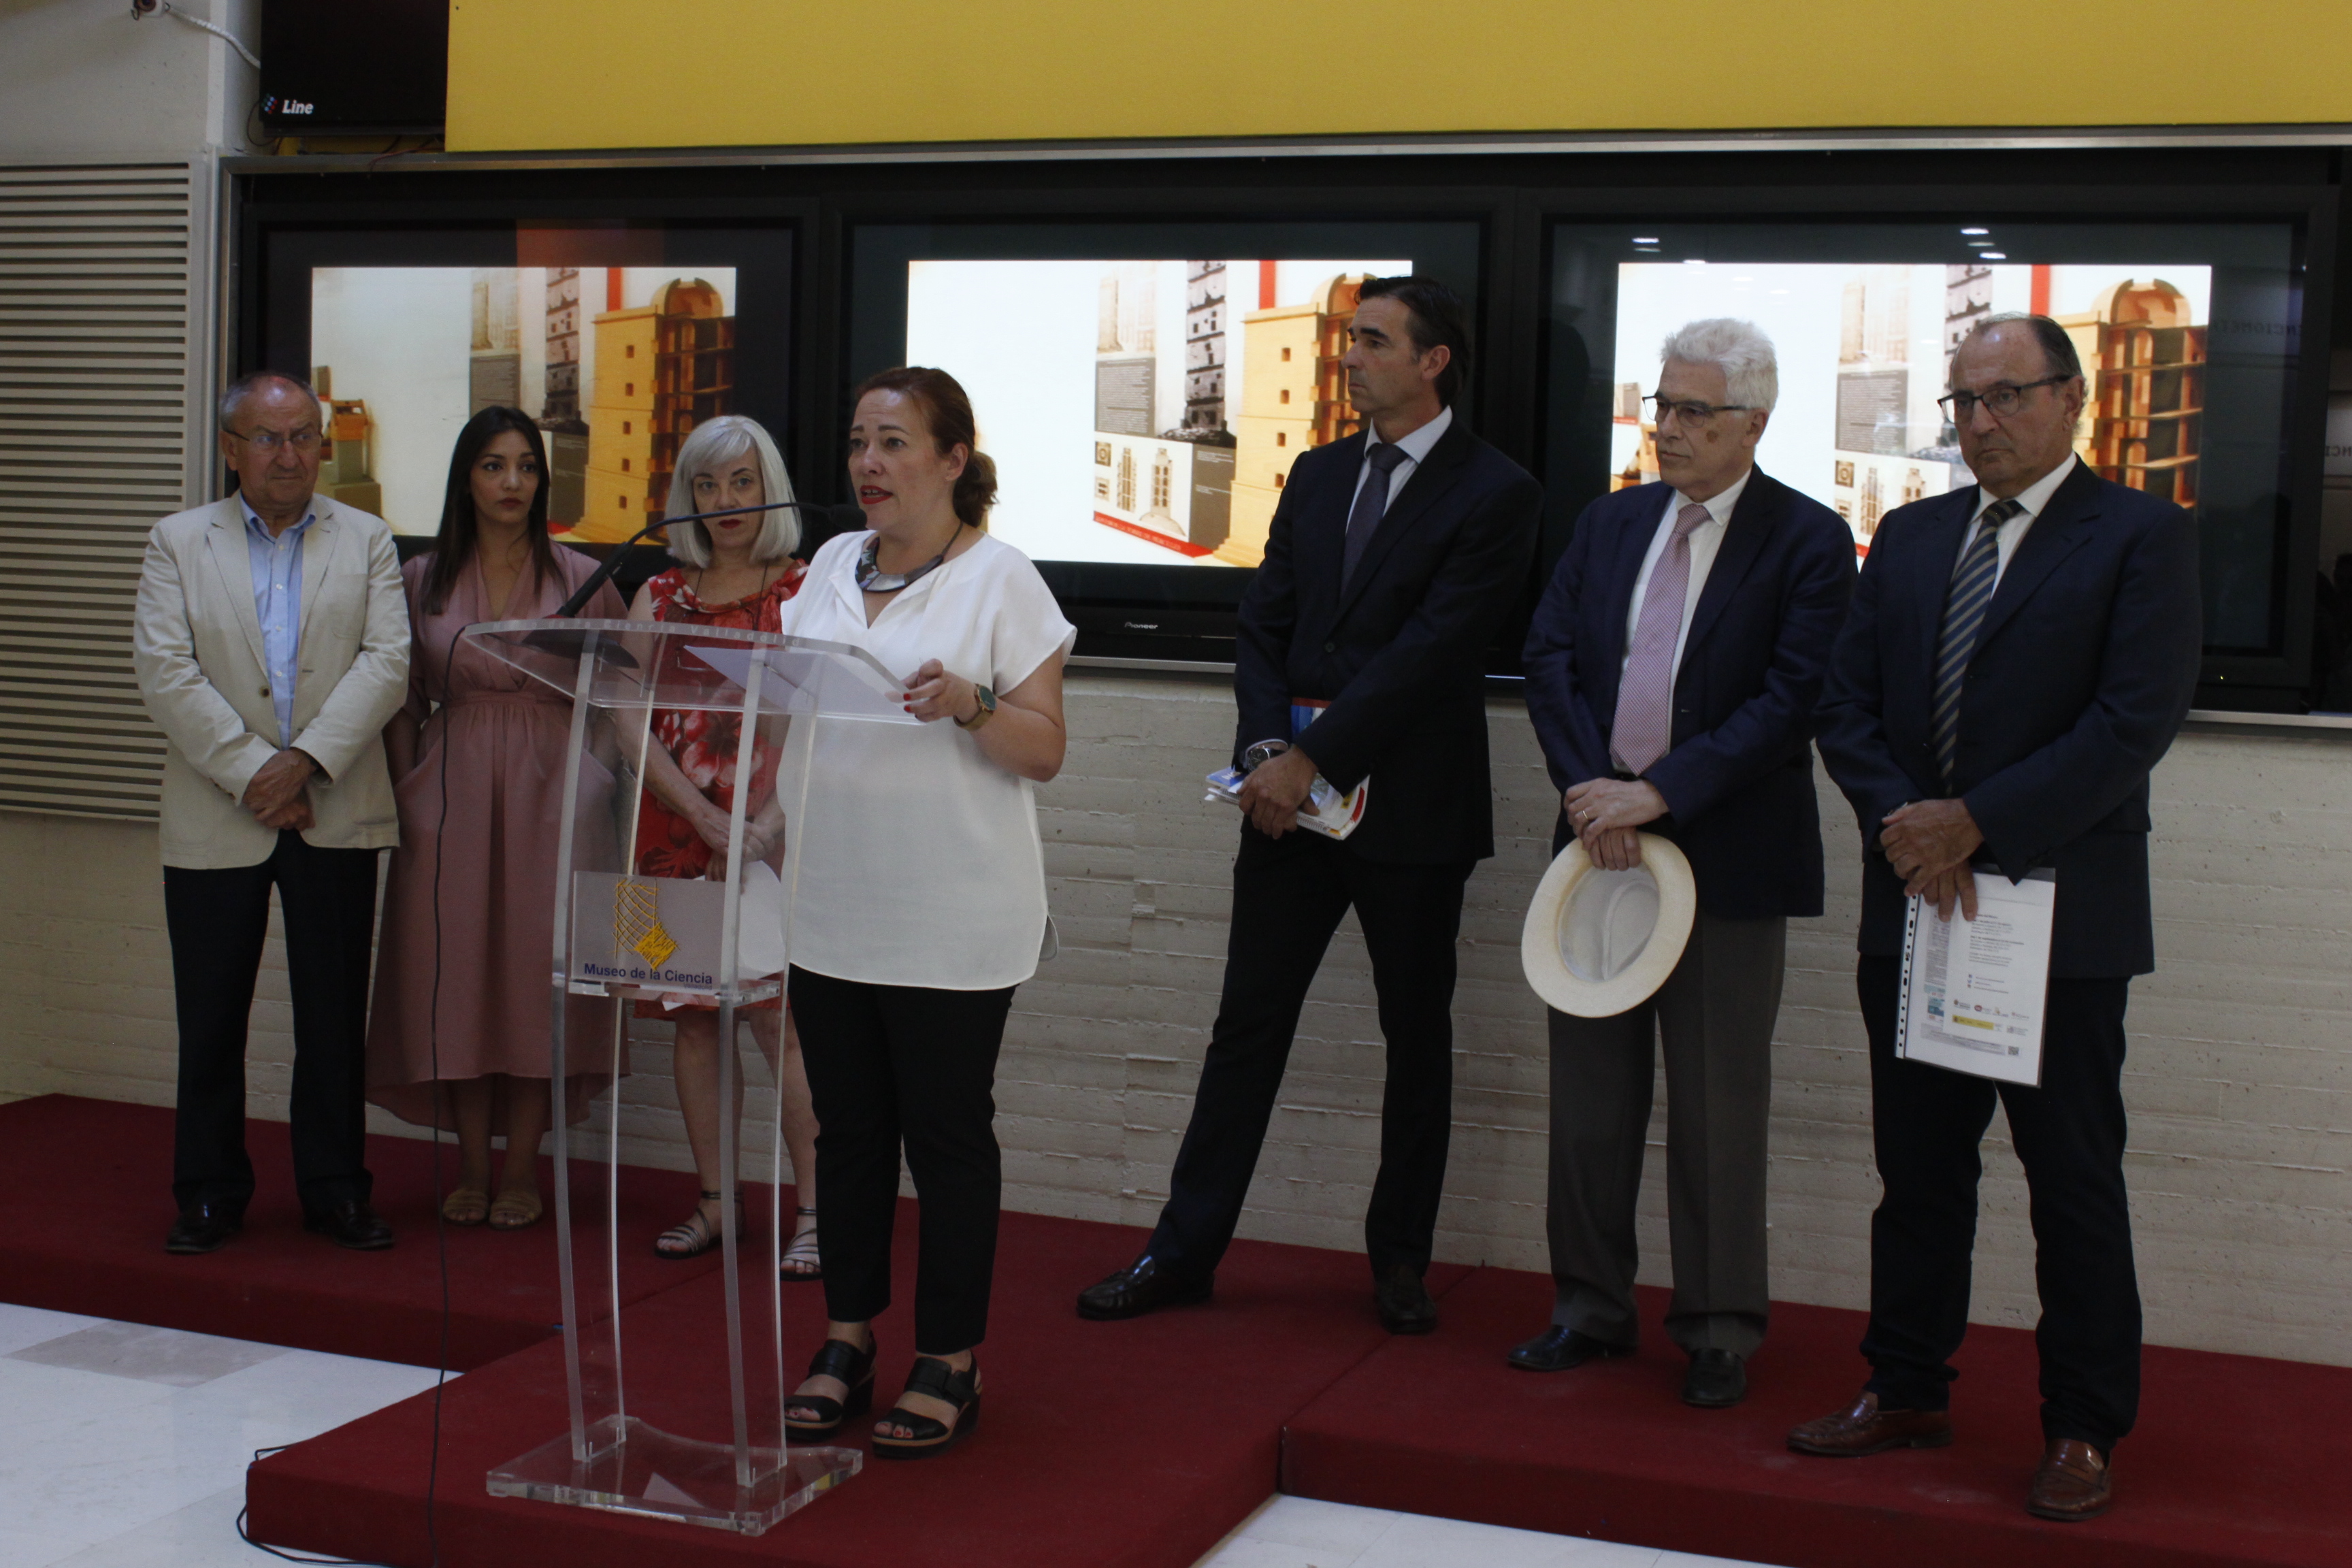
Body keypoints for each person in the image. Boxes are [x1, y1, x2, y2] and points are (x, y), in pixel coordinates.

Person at [1078, 276, 1543, 1335]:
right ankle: (1181, 1253)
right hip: (1285, 807)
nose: (1349, 357)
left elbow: (1434, 651)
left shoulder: (1498, 491)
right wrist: (1266, 752)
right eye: (1348, 339)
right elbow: (1265, 621)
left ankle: (1401, 1265)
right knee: (1245, 1030)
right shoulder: (1321, 471)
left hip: (1410, 814)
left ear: (1433, 361)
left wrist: (1314, 759)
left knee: (1414, 1039)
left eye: (1372, 341)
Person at [1795, 314, 2201, 1522]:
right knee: (1916, 1173)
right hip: (1918, 904)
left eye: (2007, 395)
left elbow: (2131, 723)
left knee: (2070, 1180)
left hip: (2058, 918)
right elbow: (1843, 703)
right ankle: (1905, 1385)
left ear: (2072, 398)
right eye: (1964, 402)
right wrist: (1909, 828)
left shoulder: (2142, 535)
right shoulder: (1912, 536)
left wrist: (1974, 821)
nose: (1981, 422)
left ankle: (2082, 1424)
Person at [1517, 319, 1854, 1407]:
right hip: (1597, 849)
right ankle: (1588, 1308)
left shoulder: (1808, 539)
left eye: (1694, 412)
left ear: (1753, 423)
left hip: (1727, 857)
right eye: (1661, 406)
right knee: (1590, 1102)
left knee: (1717, 1106)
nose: (1667, 429)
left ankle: (1717, 1327)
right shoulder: (1610, 521)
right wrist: (1592, 791)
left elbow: (1792, 698)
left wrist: (1659, 792)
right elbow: (1550, 658)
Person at [779, 366, 1073, 1458]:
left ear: (954, 460)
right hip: (830, 896)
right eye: (860, 440)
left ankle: (950, 1356)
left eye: (895, 442)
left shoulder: (1003, 580)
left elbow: (1044, 749)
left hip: (951, 910)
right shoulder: (827, 566)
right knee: (849, 1131)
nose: (869, 462)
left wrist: (971, 702)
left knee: (945, 1138)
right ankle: (847, 1337)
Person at [131, 370, 410, 1254]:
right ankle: (209, 1195)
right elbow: (165, 673)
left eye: (302, 437)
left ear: (321, 445)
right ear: (231, 448)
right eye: (267, 437)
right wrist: (259, 773)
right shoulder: (178, 542)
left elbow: (387, 663)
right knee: (211, 1017)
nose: (288, 455)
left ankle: (336, 1191)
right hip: (218, 815)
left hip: (334, 806)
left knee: (332, 1017)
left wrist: (305, 765)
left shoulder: (367, 539)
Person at [363, 408, 625, 1228]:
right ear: (466, 479)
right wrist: (411, 790)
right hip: (452, 794)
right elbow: (398, 698)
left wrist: (593, 783)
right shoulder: (421, 579)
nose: (513, 482)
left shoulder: (584, 575)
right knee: (459, 980)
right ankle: (472, 1166)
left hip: (558, 797)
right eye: (493, 465)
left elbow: (621, 697)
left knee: (537, 981)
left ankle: (521, 1170)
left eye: (526, 466)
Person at [623, 414, 826, 1279]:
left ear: (770, 488)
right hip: (673, 835)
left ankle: (816, 1212)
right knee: (694, 1024)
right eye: (707, 485)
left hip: (779, 839)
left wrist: (763, 824)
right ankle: (716, 1202)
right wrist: (702, 819)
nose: (725, 500)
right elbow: (623, 720)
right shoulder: (659, 595)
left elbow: (820, 718)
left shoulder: (810, 590)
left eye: (743, 481)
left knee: (785, 1027)